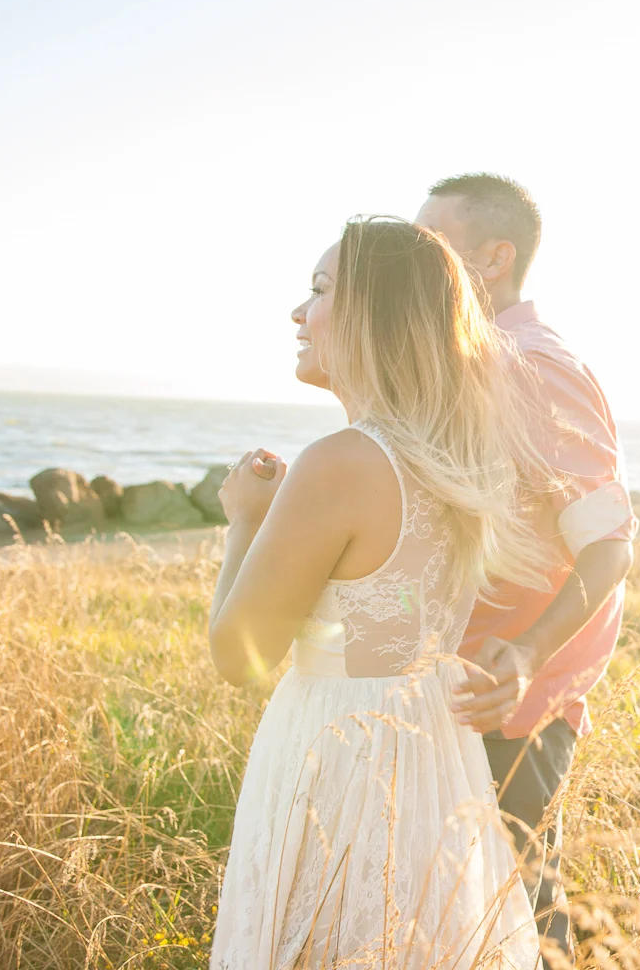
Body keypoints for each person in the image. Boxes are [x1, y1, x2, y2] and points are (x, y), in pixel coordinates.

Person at [207, 217, 547, 969]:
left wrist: (246, 521)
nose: (299, 313)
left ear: (375, 315)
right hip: (427, 746)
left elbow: (240, 655)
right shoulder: (458, 454)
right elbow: (390, 608)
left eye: (321, 290)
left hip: (339, 751)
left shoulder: (339, 464)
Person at [415, 174, 638, 966]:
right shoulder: (470, 363)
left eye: (430, 244)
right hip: (459, 687)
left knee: (520, 914)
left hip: (511, 701)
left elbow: (608, 544)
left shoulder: (535, 369)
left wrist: (527, 657)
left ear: (493, 258)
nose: (413, 263)